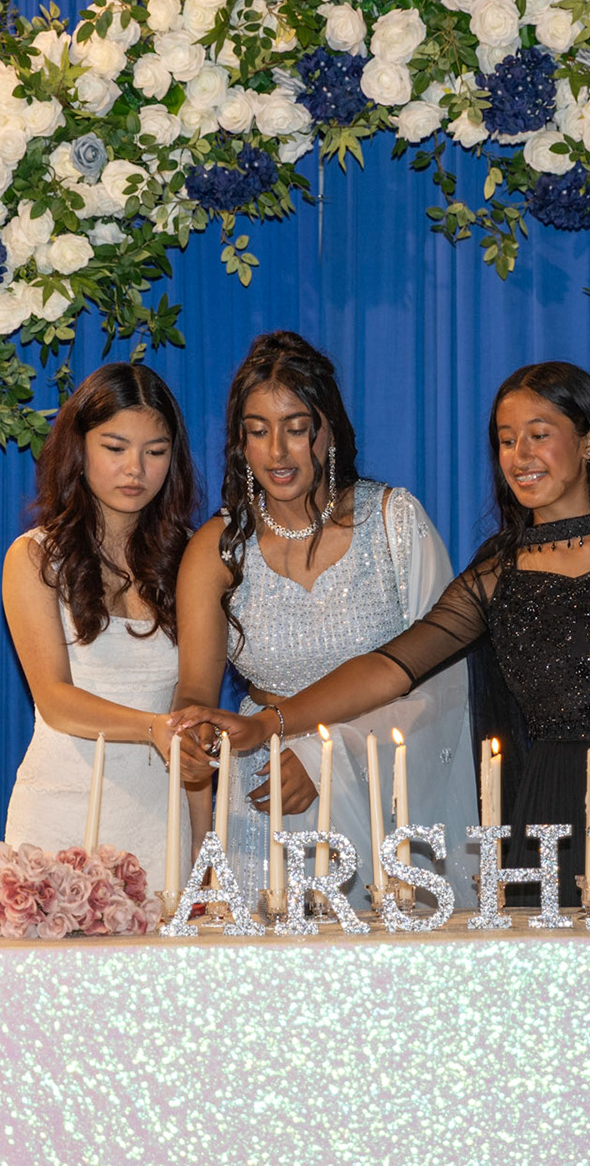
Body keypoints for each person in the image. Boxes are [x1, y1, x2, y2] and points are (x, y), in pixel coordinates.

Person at [173, 361, 590, 904]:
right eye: (506, 441)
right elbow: (391, 667)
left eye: (539, 434)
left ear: (589, 439)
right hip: (554, 811)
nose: (521, 455)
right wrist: (270, 724)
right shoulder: (497, 572)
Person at [173, 331, 479, 899]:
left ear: (328, 430)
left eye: (295, 428)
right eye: (257, 431)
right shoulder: (217, 547)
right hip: (264, 785)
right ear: (239, 443)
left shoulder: (394, 522)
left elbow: (440, 683)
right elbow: (194, 689)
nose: (277, 452)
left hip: (382, 787)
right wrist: (195, 740)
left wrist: (324, 756)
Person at [0, 363, 212, 875]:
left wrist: (206, 848)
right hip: (58, 818)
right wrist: (152, 728)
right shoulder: (34, 557)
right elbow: (55, 701)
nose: (135, 469)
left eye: (155, 452)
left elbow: (194, 717)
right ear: (79, 448)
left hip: (160, 821)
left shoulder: (194, 557)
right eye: (115, 448)